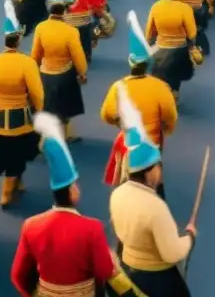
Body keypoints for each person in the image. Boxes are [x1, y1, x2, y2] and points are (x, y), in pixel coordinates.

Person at [11, 112, 142, 296]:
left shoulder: (31, 226)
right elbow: (105, 272)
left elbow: (18, 275)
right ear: (72, 193)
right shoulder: (92, 229)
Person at [110, 84, 195, 295]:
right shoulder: (156, 207)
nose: (160, 170)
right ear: (148, 173)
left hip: (127, 269)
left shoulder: (117, 194)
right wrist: (190, 237)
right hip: (155, 278)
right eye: (158, 166)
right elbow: (172, 253)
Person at [101, 11, 178, 196]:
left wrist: (121, 124)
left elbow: (107, 115)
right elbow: (170, 117)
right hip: (152, 144)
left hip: (128, 145)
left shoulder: (118, 87)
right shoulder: (160, 87)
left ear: (130, 63)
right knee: (156, 188)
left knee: (124, 191)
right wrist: (165, 130)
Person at [0, 0, 45, 207]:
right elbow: (37, 94)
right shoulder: (27, 63)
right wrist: (38, 111)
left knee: (6, 155)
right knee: (19, 154)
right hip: (20, 118)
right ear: (19, 38)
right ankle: (6, 193)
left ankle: (19, 182)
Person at [32, 0, 88, 142]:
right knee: (64, 110)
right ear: (65, 9)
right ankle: (64, 138)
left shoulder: (41, 28)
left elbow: (35, 55)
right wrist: (83, 74)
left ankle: (46, 139)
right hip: (65, 75)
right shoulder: (70, 31)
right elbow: (79, 58)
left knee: (47, 108)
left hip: (46, 73)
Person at [145, 0, 200, 101]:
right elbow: (192, 34)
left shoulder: (156, 7)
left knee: (158, 74)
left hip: (161, 48)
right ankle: (174, 93)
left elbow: (149, 33)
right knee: (176, 74)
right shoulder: (184, 8)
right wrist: (192, 47)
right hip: (179, 50)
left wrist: (149, 45)